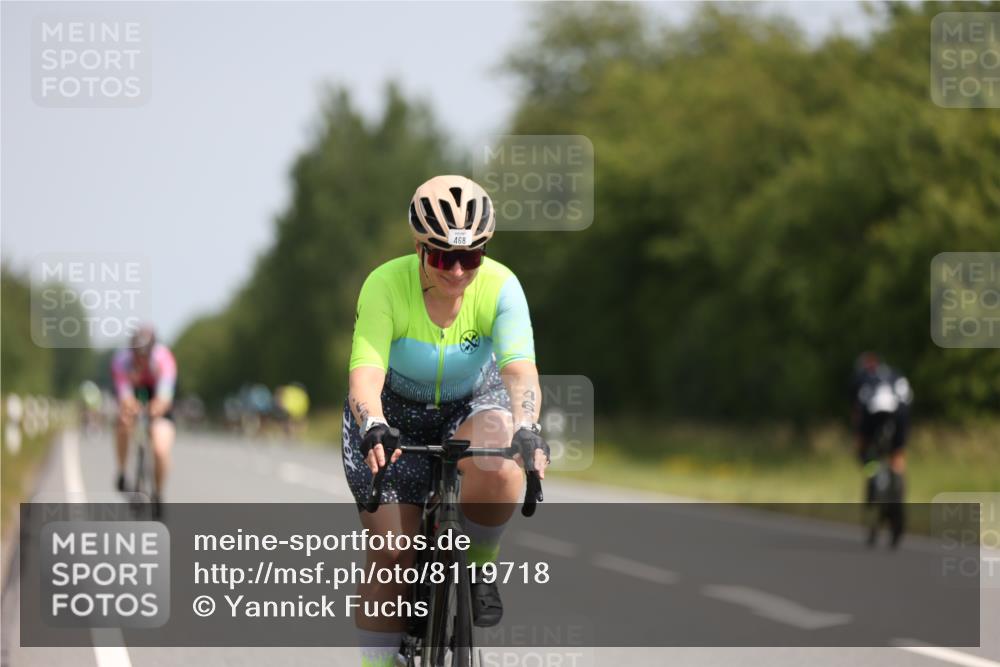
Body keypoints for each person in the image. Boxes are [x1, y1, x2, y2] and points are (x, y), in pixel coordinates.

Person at [342, 175, 550, 666]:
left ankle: (479, 565)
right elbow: (365, 375)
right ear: (419, 247)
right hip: (390, 415)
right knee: (392, 554)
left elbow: (520, 371)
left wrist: (528, 425)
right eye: (441, 257)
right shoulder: (385, 285)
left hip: (471, 404)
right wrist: (372, 422)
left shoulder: (501, 286)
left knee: (502, 460)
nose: (457, 271)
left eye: (470, 257)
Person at [110, 324, 178, 517]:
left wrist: (155, 409)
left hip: (157, 394)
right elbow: (125, 396)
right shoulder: (121, 360)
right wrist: (131, 406)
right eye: (136, 354)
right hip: (135, 393)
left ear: (152, 350)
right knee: (123, 422)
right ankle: (122, 473)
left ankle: (157, 493)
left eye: (144, 354)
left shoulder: (164, 359)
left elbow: (163, 399)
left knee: (160, 448)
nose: (140, 359)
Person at [850, 352, 913, 544]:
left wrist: (861, 450)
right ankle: (898, 484)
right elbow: (908, 400)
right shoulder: (895, 373)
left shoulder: (862, 377)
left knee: (864, 449)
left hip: (872, 412)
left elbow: (857, 410)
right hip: (900, 413)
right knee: (897, 456)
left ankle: (872, 472)